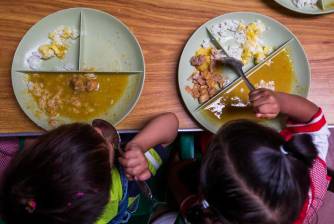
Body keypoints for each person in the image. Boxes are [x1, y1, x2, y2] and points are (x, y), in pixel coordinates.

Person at [169, 89, 330, 224]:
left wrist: (175, 174)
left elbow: (177, 182)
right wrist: (279, 102)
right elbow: (314, 119)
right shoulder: (312, 174)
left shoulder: (210, 215)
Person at [0, 112, 178, 224]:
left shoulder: (16, 178)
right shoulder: (127, 178)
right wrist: (139, 145)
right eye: (104, 142)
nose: (99, 129)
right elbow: (171, 123)